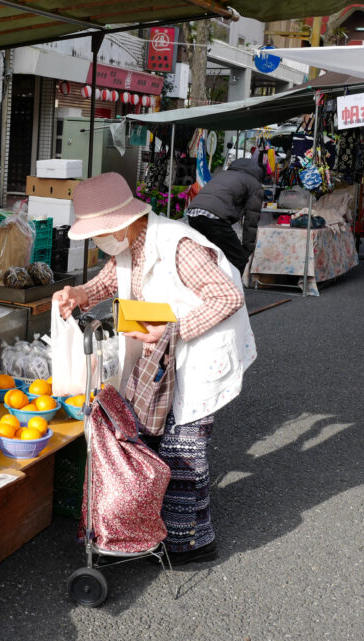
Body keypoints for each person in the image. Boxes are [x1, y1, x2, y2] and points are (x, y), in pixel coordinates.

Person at [53, 172, 256, 566]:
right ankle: (164, 530)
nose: (99, 240)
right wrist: (78, 293)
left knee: (185, 446)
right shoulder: (130, 243)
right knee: (159, 438)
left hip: (199, 350)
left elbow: (227, 297)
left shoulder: (179, 246)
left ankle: (191, 544)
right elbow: (107, 282)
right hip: (165, 350)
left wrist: (176, 329)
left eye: (101, 231)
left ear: (125, 220)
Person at [184, 158, 265, 273]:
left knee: (208, 255)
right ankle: (230, 289)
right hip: (214, 217)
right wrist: (247, 249)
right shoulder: (254, 184)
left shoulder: (224, 174)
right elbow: (251, 219)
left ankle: (206, 286)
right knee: (239, 258)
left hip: (193, 213)